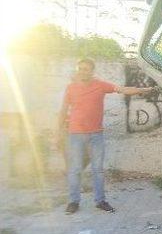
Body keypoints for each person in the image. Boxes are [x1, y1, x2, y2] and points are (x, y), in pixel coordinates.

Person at [58, 58, 155, 214]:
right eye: (80, 69)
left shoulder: (100, 85)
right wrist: (57, 131)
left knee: (98, 169)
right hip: (75, 135)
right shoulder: (71, 88)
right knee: (75, 169)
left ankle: (100, 200)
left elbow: (122, 89)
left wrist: (142, 90)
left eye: (86, 69)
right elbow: (63, 110)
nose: (83, 71)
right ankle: (73, 202)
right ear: (78, 70)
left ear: (92, 71)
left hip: (96, 135)